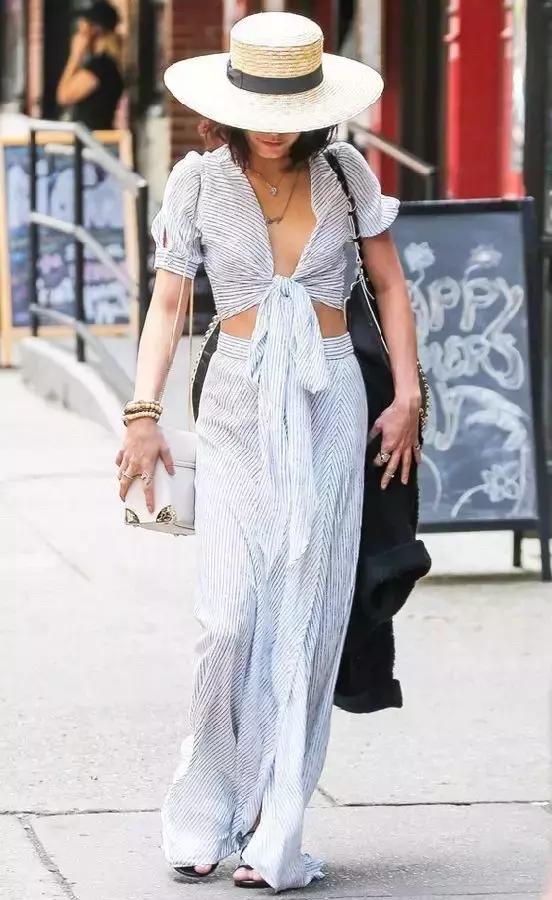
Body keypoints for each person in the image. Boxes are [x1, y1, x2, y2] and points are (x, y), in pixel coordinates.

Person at [116, 11, 422, 893]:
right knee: (229, 621)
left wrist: (406, 396)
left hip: (332, 400)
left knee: (307, 622)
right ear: (232, 106)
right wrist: (143, 412)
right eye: (262, 108)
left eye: (292, 108)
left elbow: (390, 286)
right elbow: (168, 305)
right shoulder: (198, 182)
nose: (276, 126)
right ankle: (204, 810)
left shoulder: (347, 173)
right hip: (237, 405)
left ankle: (276, 831)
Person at [56, 0, 123, 130]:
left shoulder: (101, 66)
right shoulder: (104, 64)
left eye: (82, 26)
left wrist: (75, 56)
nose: (78, 30)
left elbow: (64, 96)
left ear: (95, 29)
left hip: (92, 139)